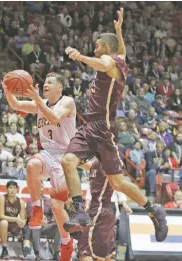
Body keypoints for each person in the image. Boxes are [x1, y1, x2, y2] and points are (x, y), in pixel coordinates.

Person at [62, 8, 168, 242]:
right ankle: (79, 211)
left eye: (98, 46)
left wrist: (80, 57)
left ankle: (153, 209)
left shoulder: (109, 62)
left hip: (103, 128)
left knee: (117, 182)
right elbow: (122, 51)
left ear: (105, 49)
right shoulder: (118, 58)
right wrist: (119, 32)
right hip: (90, 126)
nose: (95, 49)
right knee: (68, 160)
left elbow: (104, 62)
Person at [3, 72, 77, 261]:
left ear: (59, 88)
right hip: (47, 153)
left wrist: (37, 100)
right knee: (32, 165)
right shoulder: (40, 103)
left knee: (56, 206)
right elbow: (17, 105)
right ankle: (36, 210)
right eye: (45, 81)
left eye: (50, 82)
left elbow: (53, 118)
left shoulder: (67, 102)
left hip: (65, 157)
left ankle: (67, 242)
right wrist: (8, 90)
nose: (45, 84)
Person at [0, 181, 35, 260]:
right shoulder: (2, 198)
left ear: (17, 190)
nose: (12, 190)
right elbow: (1, 216)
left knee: (27, 226)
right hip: (3, 223)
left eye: (14, 188)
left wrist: (23, 222)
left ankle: (26, 251)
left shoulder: (20, 201)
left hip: (14, 224)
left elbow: (22, 217)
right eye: (10, 188)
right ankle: (4, 249)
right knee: (4, 223)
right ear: (7, 189)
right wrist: (16, 219)